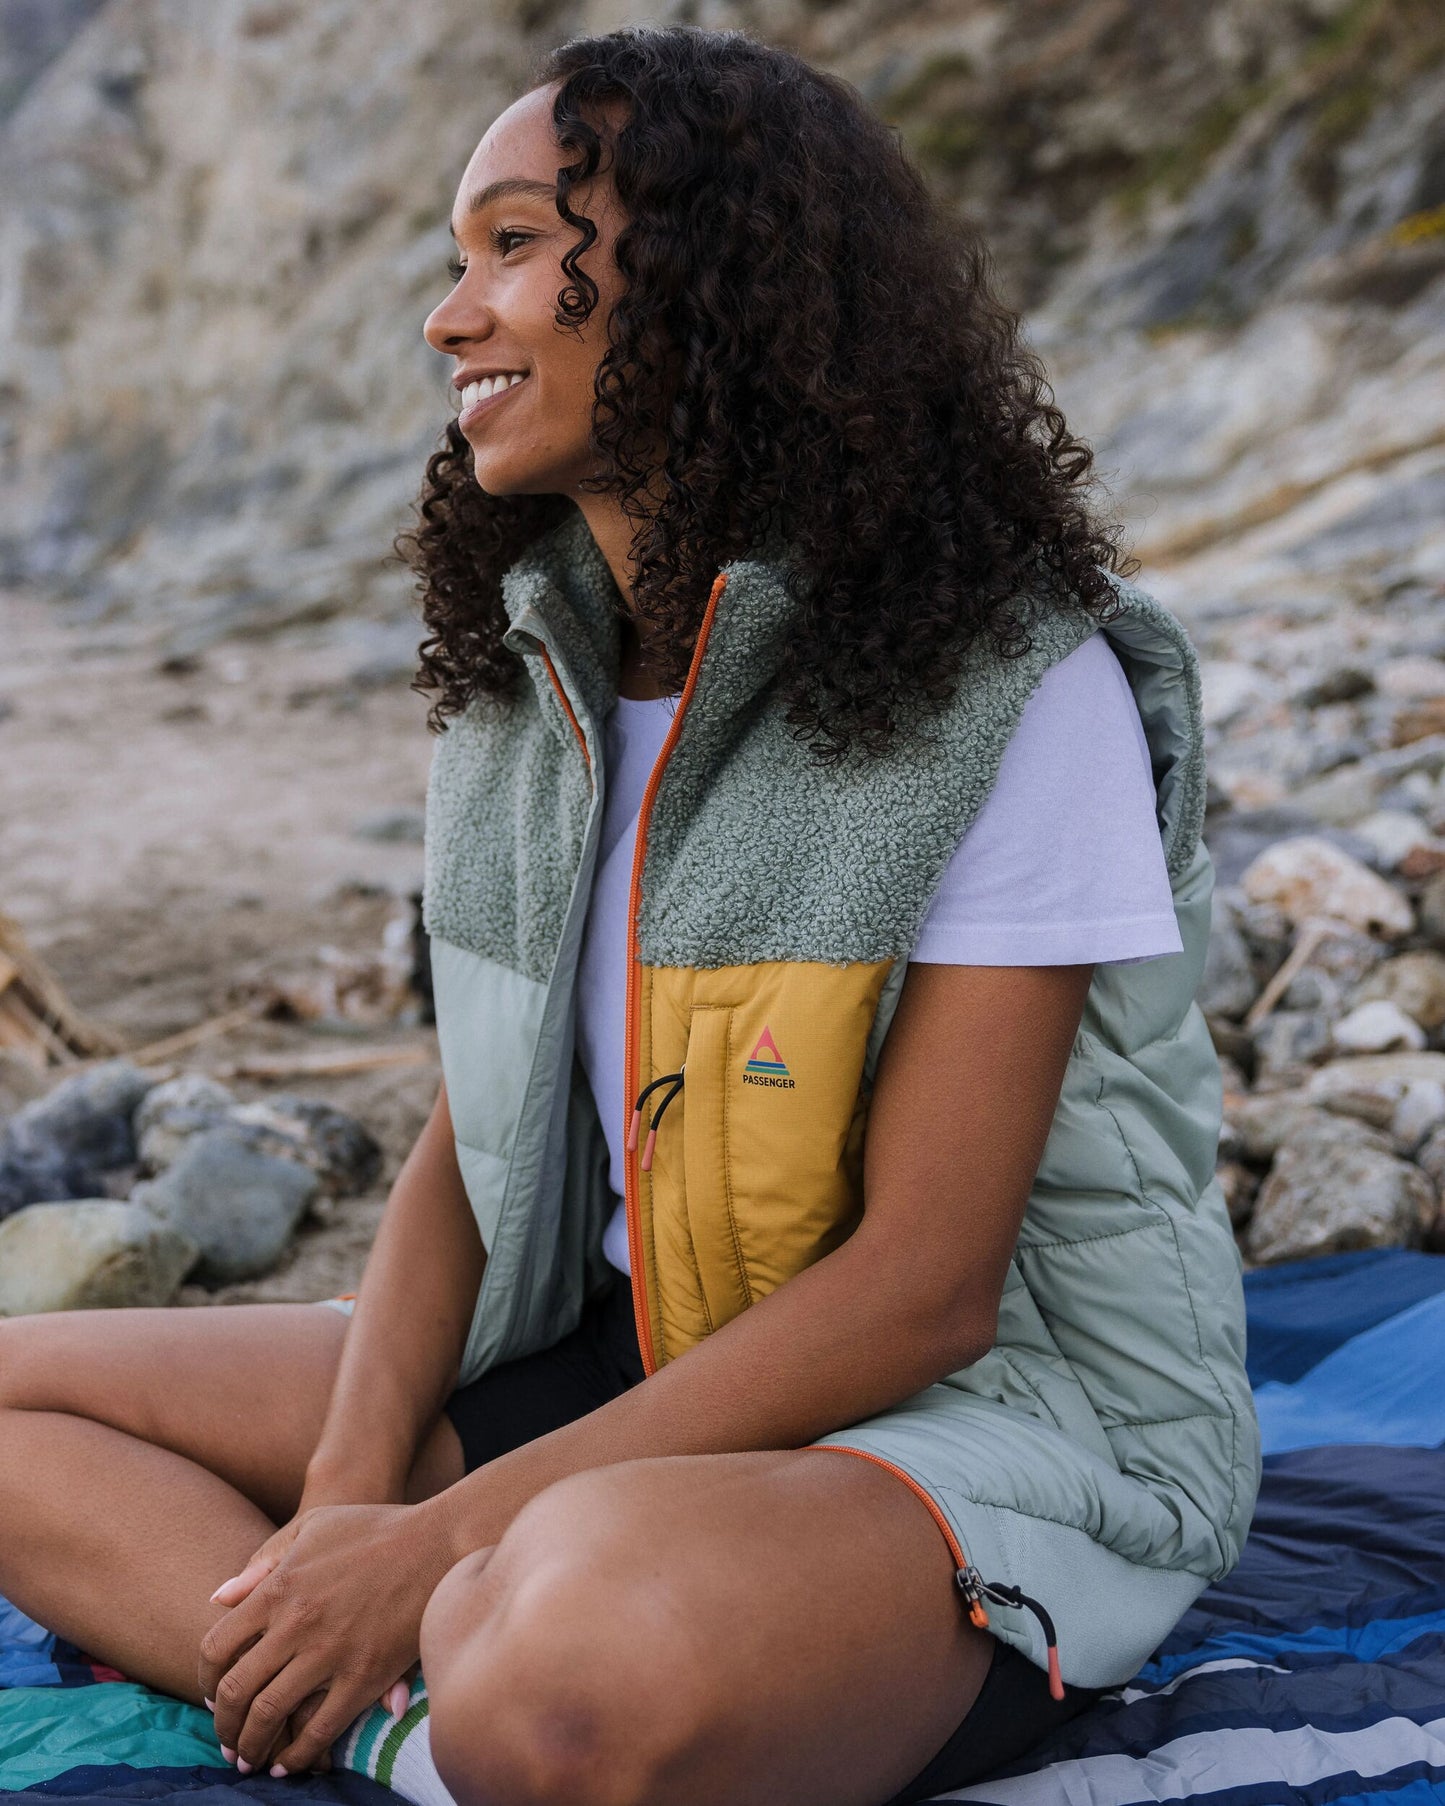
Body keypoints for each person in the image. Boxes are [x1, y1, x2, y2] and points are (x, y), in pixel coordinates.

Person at [0, 26, 1260, 1806]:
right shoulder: (540, 676)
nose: (448, 317)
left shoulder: (1003, 683)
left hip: (984, 1417)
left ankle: (467, 1670)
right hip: (623, 1344)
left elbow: (925, 1291)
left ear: (708, 281)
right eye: (457, 259)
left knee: (572, 1659)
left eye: (514, 246)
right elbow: (477, 1124)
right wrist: (353, 1506)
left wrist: (430, 1538)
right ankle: (396, 1721)